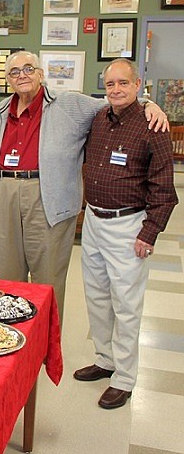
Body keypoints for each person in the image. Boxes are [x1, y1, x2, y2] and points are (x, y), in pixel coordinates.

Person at [0, 50, 168, 324]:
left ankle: (47, 341)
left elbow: (115, 105)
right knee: (8, 275)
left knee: (48, 278)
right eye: (14, 71)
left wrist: (147, 105)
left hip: (48, 196)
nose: (22, 75)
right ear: (8, 79)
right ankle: (13, 336)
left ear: (41, 74)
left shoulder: (69, 104)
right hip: (5, 192)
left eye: (28, 69)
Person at [73, 59, 177, 409]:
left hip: (128, 226)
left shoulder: (152, 125)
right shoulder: (99, 118)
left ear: (137, 85)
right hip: (94, 222)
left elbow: (165, 188)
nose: (116, 90)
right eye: (110, 84)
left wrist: (149, 233)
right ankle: (105, 360)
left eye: (123, 83)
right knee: (97, 297)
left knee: (127, 304)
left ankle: (126, 377)